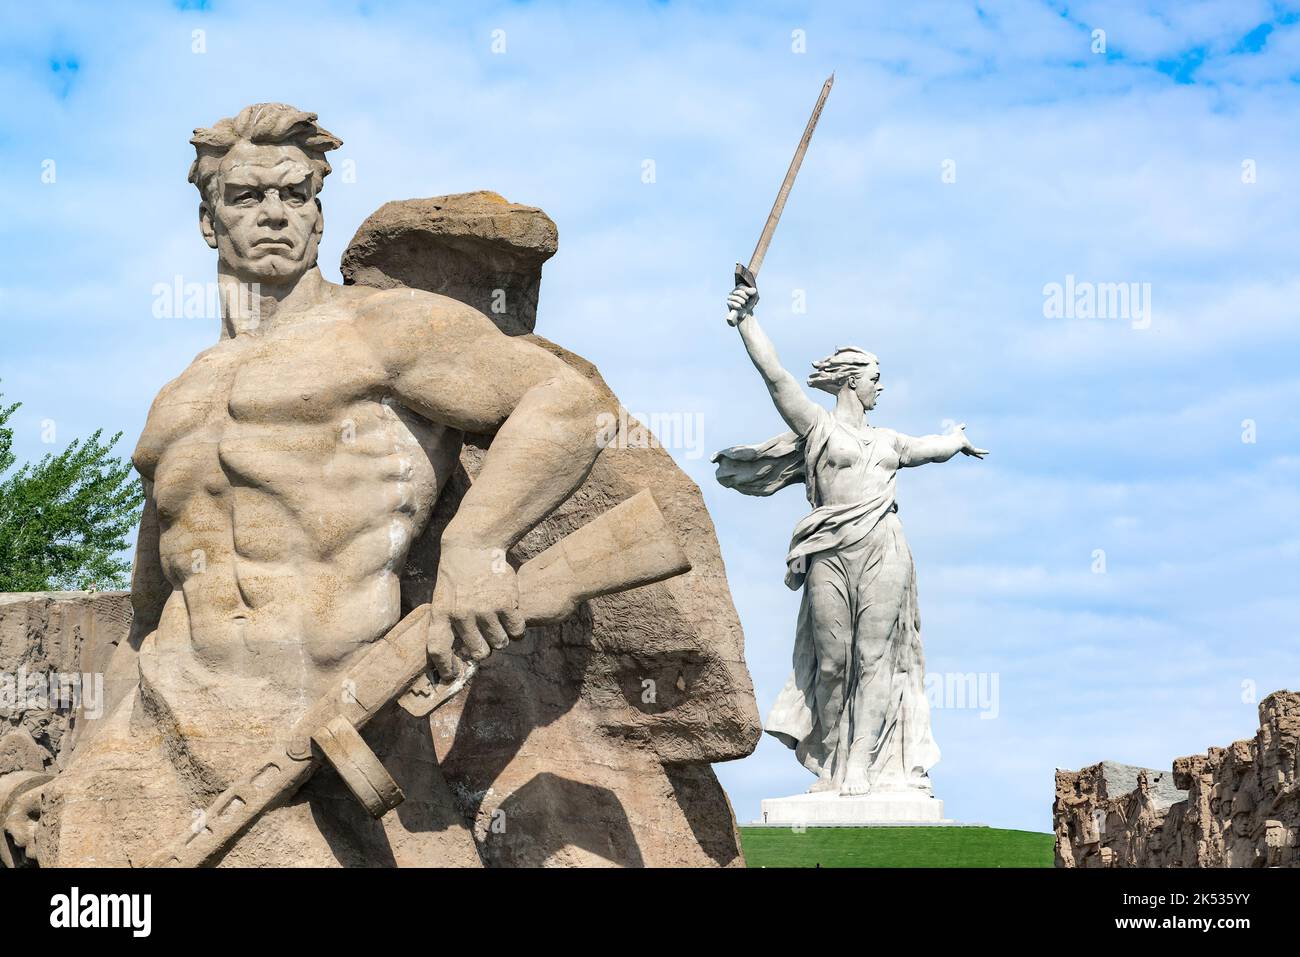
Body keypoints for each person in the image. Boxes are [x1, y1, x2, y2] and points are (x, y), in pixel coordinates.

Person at [713, 283, 987, 797]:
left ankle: (861, 764)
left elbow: (928, 448)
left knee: (875, 659)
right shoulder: (819, 428)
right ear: (852, 382)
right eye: (875, 380)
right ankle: (833, 763)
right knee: (834, 662)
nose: (881, 389)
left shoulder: (888, 441)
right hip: (828, 552)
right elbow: (777, 379)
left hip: (883, 547)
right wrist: (748, 320)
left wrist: (956, 440)